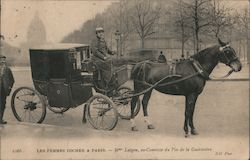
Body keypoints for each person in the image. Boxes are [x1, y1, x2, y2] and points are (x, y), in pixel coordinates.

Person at [0, 54, 14, 124]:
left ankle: (0, 119)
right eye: (1, 60)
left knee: (2, 104)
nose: (3, 61)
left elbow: (12, 80)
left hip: (4, 90)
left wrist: (9, 87)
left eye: (4, 60)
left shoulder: (7, 69)